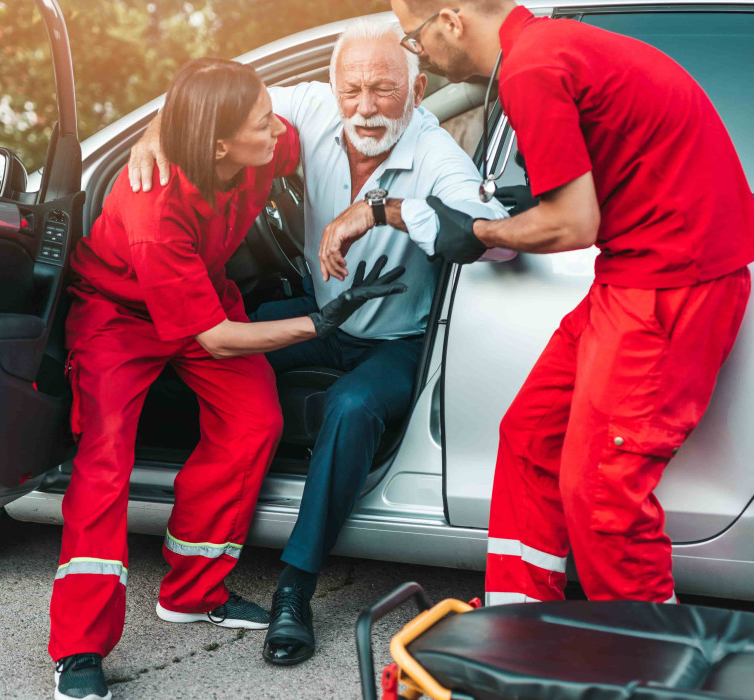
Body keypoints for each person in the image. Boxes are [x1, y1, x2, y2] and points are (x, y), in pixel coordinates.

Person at [128, 18, 509, 666]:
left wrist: (385, 209)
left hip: (397, 339)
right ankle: (195, 518)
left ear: (417, 87)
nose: (365, 106)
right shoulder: (306, 108)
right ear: (329, 86)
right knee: (207, 357)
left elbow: (494, 238)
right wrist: (152, 136)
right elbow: (207, 105)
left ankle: (293, 589)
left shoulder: (438, 154)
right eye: (352, 89)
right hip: (322, 316)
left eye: (384, 90)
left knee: (351, 408)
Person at [385, 0, 754, 606]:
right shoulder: (552, 47)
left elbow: (572, 222)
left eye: (413, 38)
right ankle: (520, 625)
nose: (420, 55)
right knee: (530, 435)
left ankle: (651, 662)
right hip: (639, 273)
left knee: (601, 493)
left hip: (670, 286)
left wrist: (481, 232)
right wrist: (519, 209)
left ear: (451, 19)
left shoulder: (528, 70)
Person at [50, 58, 406, 700]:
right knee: (105, 460)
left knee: (254, 421)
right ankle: (78, 648)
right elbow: (216, 341)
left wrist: (161, 121)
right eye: (263, 122)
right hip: (119, 314)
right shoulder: (153, 209)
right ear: (219, 142)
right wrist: (319, 322)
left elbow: (312, 129)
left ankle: (192, 591)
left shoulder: (261, 149)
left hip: (202, 296)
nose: (279, 128)